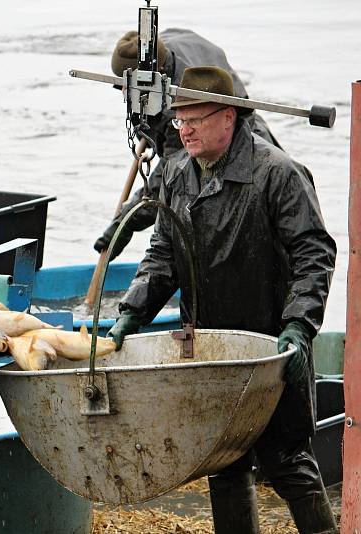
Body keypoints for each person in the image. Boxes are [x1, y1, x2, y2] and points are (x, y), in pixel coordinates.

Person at [107, 66, 337, 533]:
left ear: (229, 117)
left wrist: (299, 325)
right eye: (178, 120)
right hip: (210, 349)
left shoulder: (279, 174)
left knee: (288, 461)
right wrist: (132, 310)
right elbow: (163, 254)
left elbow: (315, 255)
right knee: (224, 463)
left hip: (273, 345)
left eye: (195, 118)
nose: (184, 129)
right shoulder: (175, 173)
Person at [94, 28, 281, 259]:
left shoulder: (183, 111)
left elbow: (171, 177)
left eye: (128, 89)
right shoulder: (162, 46)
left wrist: (126, 219)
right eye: (121, 87)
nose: (124, 94)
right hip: (212, 132)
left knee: (244, 235)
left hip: (239, 140)